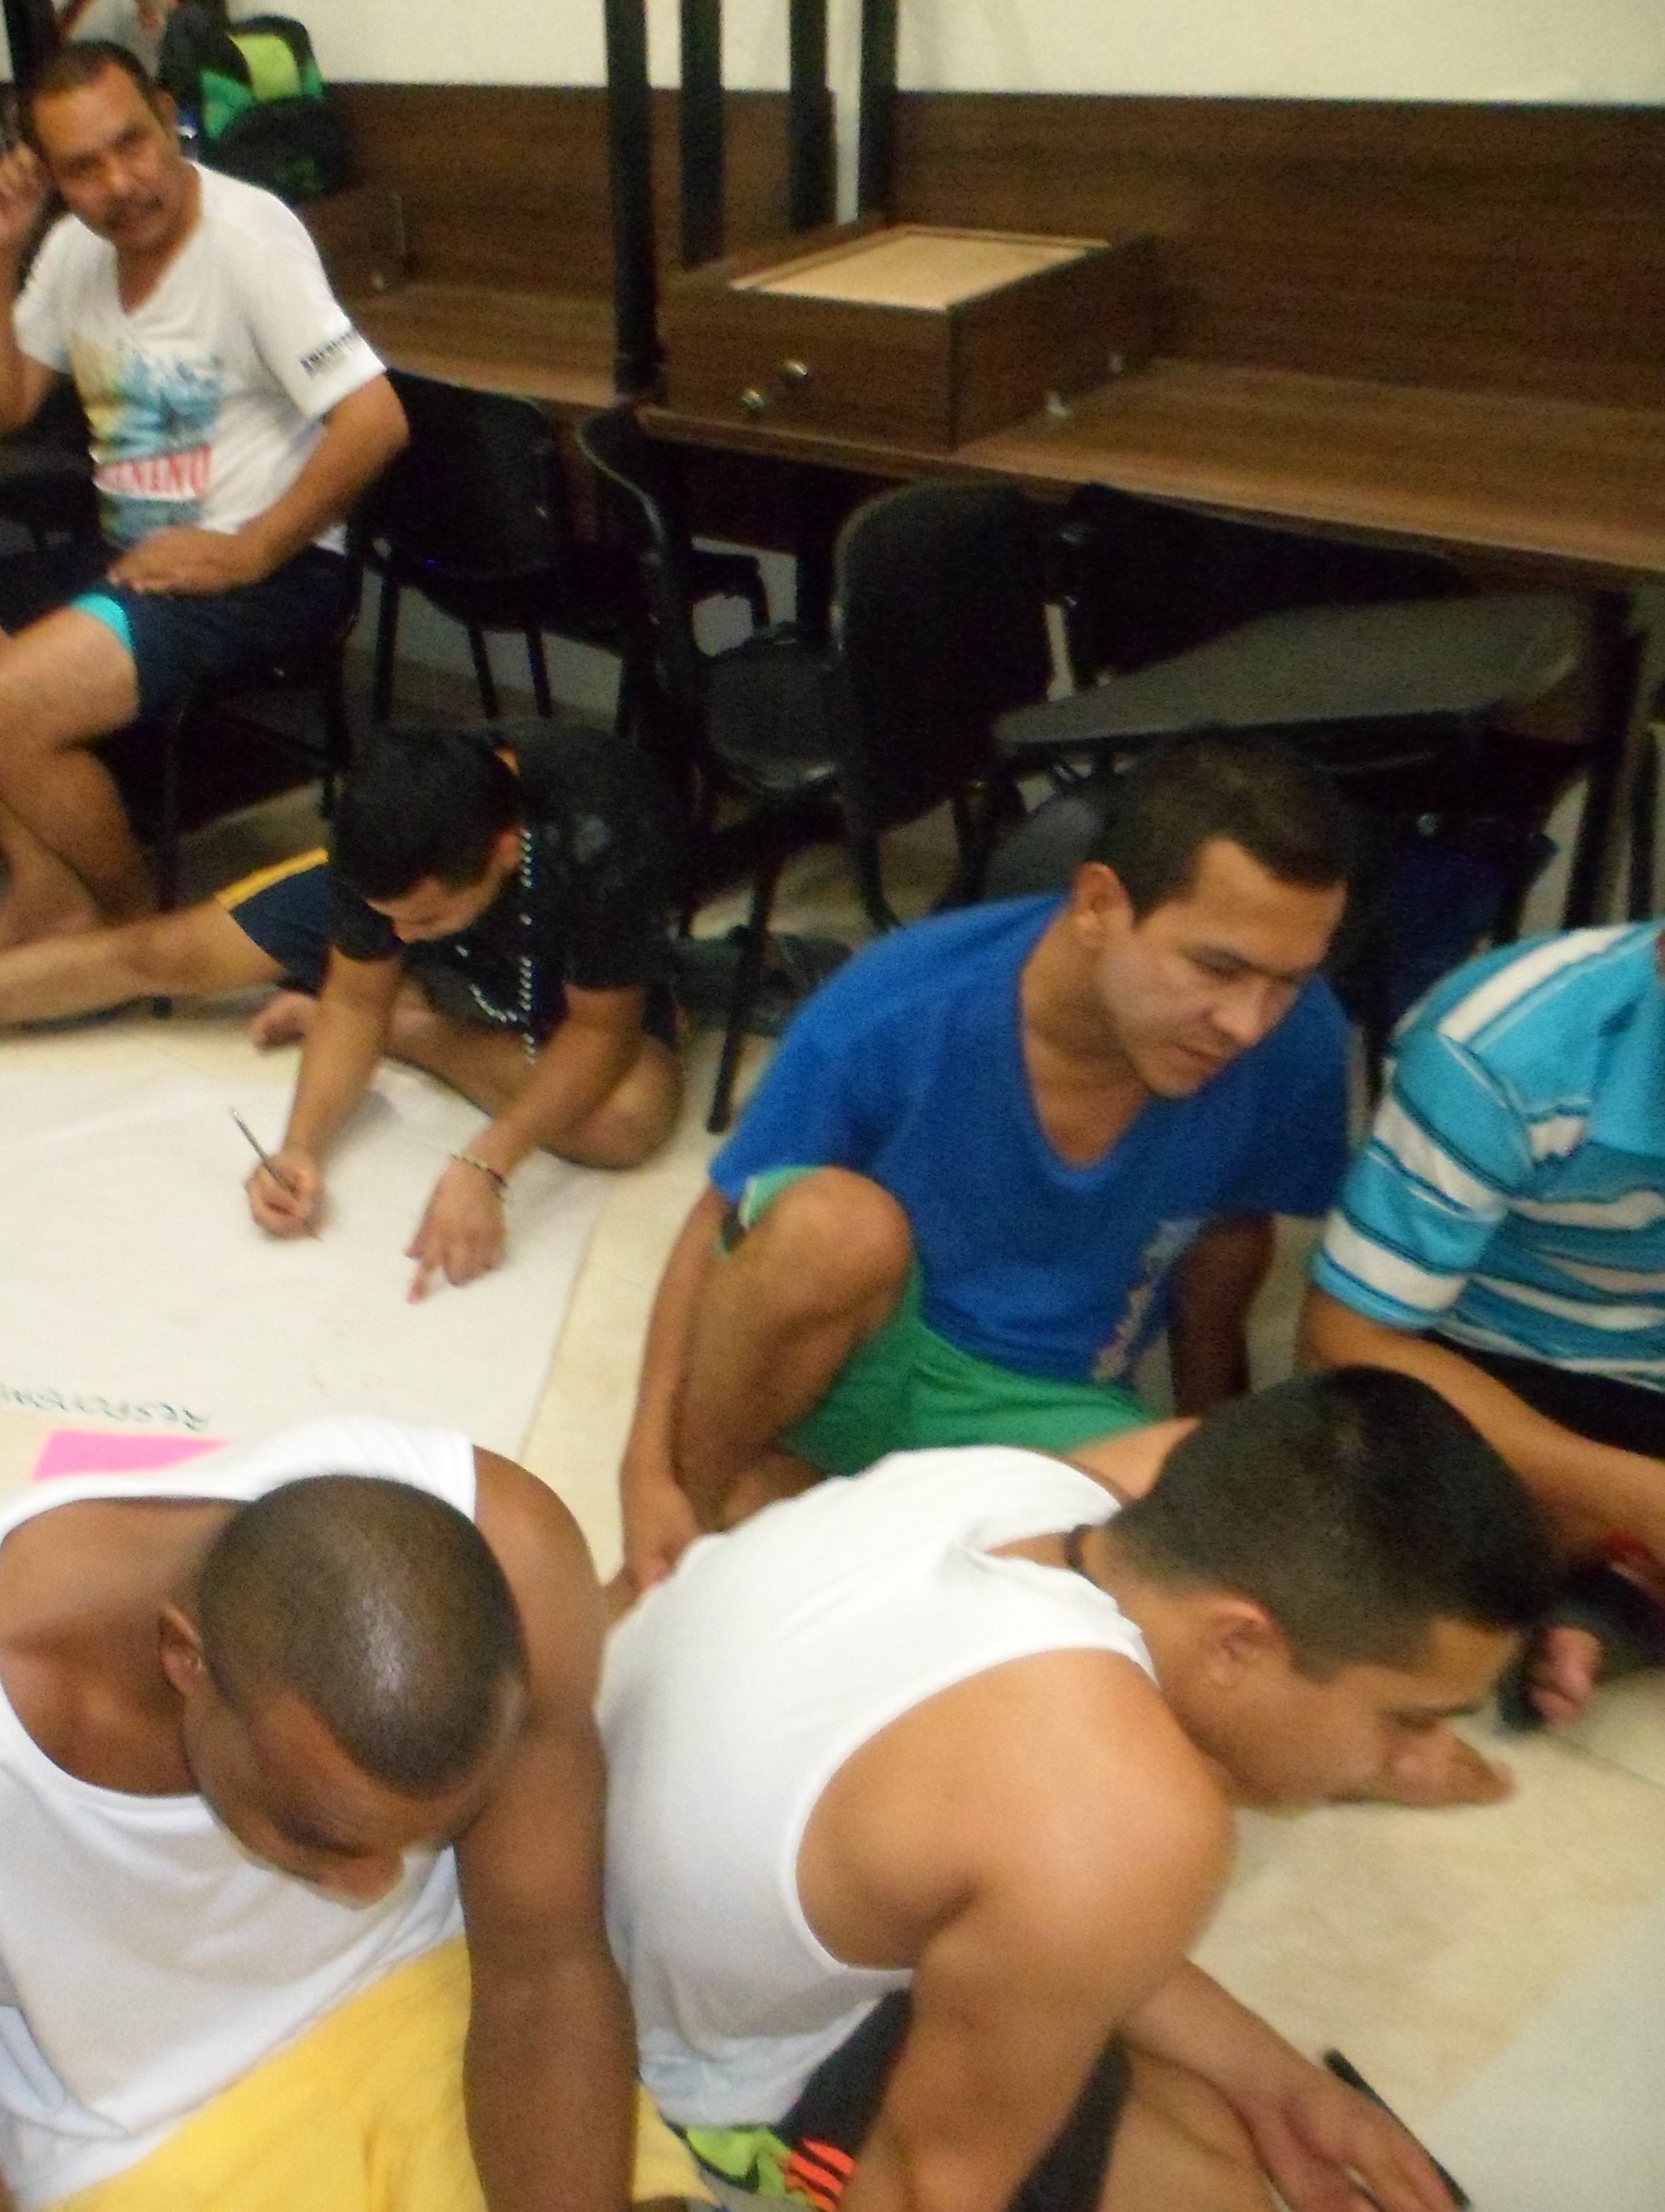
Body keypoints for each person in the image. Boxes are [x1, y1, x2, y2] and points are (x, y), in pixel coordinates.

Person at [602, 1369, 1553, 2212]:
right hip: (661, 2055)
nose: (1411, 1763)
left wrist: (1282, 2084)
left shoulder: (1046, 1491)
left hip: (598, 1853)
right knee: (1204, 2191)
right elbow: (929, 2185)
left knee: (1204, 2126)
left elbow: (1033, 1904)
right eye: (1408, 1720)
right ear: (1237, 1643)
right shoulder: (1126, 1822)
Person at [0, 1419, 702, 2212]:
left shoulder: (510, 1559)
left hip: (435, 1998)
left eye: (422, 1840)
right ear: (186, 1660)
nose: (371, 1885)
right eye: (322, 1835)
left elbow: (542, 1968)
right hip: (143, 2139)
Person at [616, 737, 1355, 1591]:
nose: (1248, 1024)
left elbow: (1229, 1244)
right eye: (1217, 967)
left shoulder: (1300, 1046)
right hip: (860, 1355)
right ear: (1098, 906)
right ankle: (695, 1533)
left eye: (1288, 982)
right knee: (831, 1229)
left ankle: (806, 1515)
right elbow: (717, 1217)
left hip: (1048, 1402)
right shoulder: (896, 1003)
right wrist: (648, 1471)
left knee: (1199, 1570)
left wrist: (1209, 1453)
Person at [0, 722, 683, 1296]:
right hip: (432, 902)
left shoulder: (600, 832)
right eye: (388, 918)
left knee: (632, 1115)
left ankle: (417, 1031)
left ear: (506, 849)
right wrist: (301, 1148)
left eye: (424, 921)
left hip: (554, 955)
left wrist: (486, 1163)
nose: (401, 936)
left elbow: (602, 1031)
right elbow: (356, 996)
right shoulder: (386, 841)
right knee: (158, 954)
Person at [0, 40, 408, 971]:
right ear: (52, 177)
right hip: (137, 559)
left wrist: (252, 549)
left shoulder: (249, 238)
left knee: (1, 707)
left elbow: (377, 419)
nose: (121, 183)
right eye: (84, 167)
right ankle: (51, 895)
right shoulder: (75, 248)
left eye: (133, 143)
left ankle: (129, 943)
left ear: (165, 116)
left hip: (268, 571)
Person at [1303, 921, 1665, 1731]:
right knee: (1373, 1508)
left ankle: (1597, 1597)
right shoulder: (1498, 1050)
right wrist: (1635, 1495)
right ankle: (1594, 1576)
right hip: (1495, 1362)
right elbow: (1347, 1339)